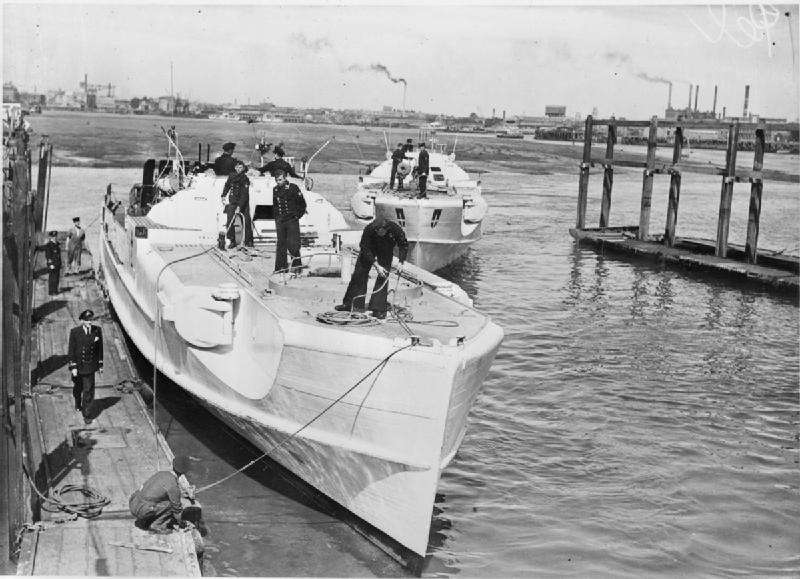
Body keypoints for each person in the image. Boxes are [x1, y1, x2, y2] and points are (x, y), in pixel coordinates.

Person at [334, 213, 408, 319]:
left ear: (386, 229)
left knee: (383, 275)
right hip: (370, 247)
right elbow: (364, 247)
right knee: (360, 273)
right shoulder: (369, 229)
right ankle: (352, 304)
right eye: (377, 231)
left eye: (381, 231)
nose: (379, 233)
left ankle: (378, 308)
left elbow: (403, 245)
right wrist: (376, 265)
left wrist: (401, 262)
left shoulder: (395, 229)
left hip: (386, 248)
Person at [129, 455, 194, 534]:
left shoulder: (162, 473)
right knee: (172, 505)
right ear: (184, 472)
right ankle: (157, 525)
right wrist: (182, 523)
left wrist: (183, 492)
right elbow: (177, 510)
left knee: (161, 499)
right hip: (142, 510)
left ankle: (145, 520)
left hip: (134, 502)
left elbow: (158, 491)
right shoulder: (173, 485)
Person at [68, 309, 104, 425]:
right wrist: (73, 367)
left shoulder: (97, 330)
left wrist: (100, 365)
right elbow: (71, 351)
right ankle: (78, 402)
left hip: (90, 366)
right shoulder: (75, 332)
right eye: (87, 320)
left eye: (91, 320)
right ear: (82, 321)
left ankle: (87, 414)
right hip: (79, 366)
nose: (89, 322)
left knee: (88, 390)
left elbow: (100, 349)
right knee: (78, 388)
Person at [272, 169, 307, 273]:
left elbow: (302, 204)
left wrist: (297, 216)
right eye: (277, 180)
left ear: (285, 178)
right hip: (281, 221)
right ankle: (280, 268)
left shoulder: (293, 188)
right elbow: (275, 206)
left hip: (291, 220)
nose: (278, 182)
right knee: (281, 245)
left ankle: (296, 267)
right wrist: (277, 219)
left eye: (280, 180)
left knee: (293, 244)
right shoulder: (275, 190)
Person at [221, 160, 253, 248]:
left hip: (243, 202)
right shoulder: (231, 176)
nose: (239, 169)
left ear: (243, 169)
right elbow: (227, 185)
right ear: (235, 168)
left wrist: (240, 206)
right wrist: (223, 195)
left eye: (241, 168)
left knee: (246, 221)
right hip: (233, 201)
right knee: (229, 220)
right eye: (238, 167)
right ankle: (232, 240)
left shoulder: (245, 179)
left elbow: (245, 195)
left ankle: (249, 241)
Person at [45, 231, 62, 295]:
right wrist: (50, 264)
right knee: (52, 278)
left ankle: (55, 290)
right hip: (52, 265)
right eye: (53, 237)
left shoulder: (57, 244)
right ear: (50, 237)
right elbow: (48, 256)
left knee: (57, 278)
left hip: (57, 264)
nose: (54, 238)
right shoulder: (49, 245)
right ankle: (51, 291)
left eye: (55, 236)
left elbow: (58, 255)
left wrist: (60, 263)